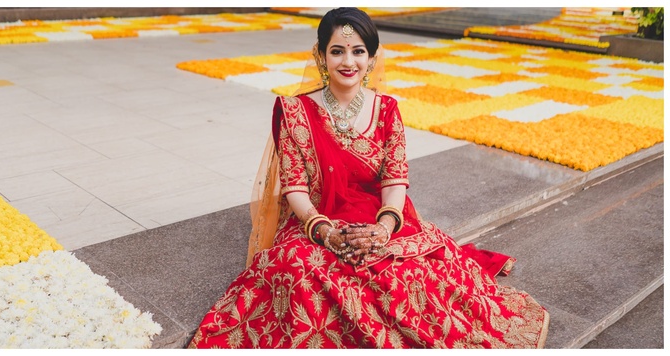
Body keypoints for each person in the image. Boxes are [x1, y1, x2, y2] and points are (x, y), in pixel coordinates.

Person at [188, 7, 549, 349]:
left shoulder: (387, 110)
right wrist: (323, 230)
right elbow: (295, 186)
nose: (348, 62)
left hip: (381, 216)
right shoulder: (296, 112)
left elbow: (395, 181)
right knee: (295, 271)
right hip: (315, 220)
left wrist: (384, 229)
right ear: (321, 56)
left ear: (372, 59)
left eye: (358, 51)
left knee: (409, 277)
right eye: (338, 51)